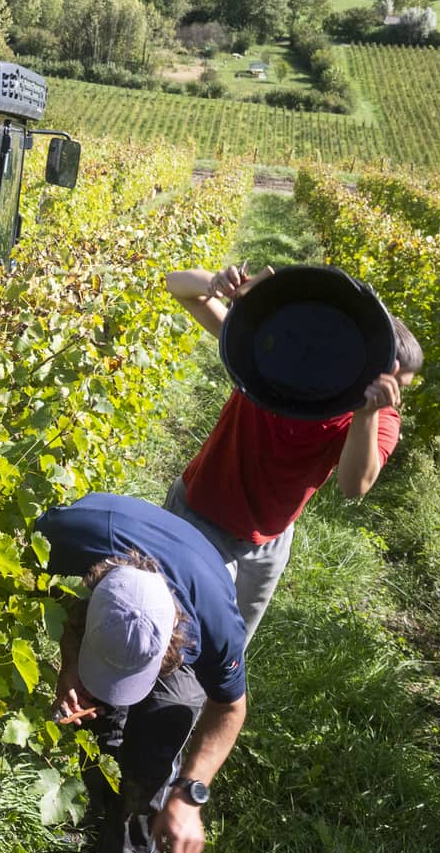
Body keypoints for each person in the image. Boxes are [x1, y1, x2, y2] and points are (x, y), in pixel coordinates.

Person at [163, 264, 423, 643]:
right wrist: (220, 286)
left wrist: (366, 413)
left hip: (266, 546)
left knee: (225, 653)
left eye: (398, 390)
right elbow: (178, 286)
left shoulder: (378, 419)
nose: (391, 397)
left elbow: (354, 486)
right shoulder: (275, 372)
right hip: (197, 515)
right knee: (166, 638)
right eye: (389, 383)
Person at [36, 493, 249, 853]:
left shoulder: (213, 625)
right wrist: (69, 666)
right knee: (99, 720)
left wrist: (190, 793)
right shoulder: (64, 538)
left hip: (197, 585)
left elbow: (231, 709)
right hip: (106, 549)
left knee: (156, 745)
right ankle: (96, 805)